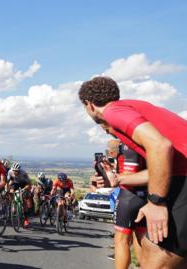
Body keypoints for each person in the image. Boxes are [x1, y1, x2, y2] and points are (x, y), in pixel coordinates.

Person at [79, 76, 187, 267]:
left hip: (183, 178)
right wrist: (118, 178)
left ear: (89, 105)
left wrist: (156, 202)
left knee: (156, 262)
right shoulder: (130, 108)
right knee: (149, 255)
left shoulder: (113, 112)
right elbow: (160, 167)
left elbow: (161, 146)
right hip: (179, 174)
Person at [6, 162, 31, 227]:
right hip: (15, 183)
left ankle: (26, 219)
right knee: (11, 191)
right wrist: (7, 189)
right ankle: (13, 203)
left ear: (19, 170)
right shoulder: (10, 172)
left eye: (16, 171)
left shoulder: (23, 173)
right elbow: (7, 182)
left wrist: (25, 189)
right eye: (14, 171)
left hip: (24, 184)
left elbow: (29, 183)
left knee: (23, 199)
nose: (15, 172)